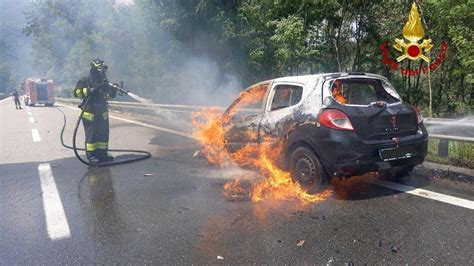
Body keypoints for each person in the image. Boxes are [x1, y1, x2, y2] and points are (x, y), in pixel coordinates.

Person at [73, 58, 119, 164]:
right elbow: (76, 92)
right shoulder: (85, 80)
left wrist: (113, 91)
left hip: (102, 113)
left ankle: (103, 154)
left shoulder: (104, 82)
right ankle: (92, 156)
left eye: (103, 70)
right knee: (92, 136)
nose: (102, 73)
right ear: (93, 70)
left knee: (103, 134)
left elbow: (109, 97)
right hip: (90, 113)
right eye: (100, 70)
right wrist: (88, 91)